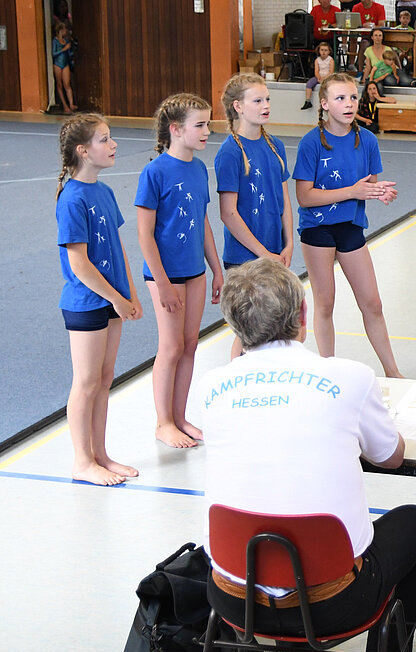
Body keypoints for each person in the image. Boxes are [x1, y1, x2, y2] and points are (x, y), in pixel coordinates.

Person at [200, 259, 416, 652]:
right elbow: (391, 457)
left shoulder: (208, 388)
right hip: (335, 602)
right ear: (303, 315)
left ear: (236, 329)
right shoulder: (349, 377)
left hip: (235, 597)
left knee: (270, 522)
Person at [293, 73, 402, 377]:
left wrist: (380, 192)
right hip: (318, 229)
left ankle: (393, 371)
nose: (349, 103)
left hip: (351, 226)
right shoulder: (311, 143)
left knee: (372, 302)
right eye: (340, 98)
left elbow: (368, 184)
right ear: (325, 104)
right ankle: (328, 370)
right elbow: (304, 196)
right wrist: (352, 192)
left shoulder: (366, 139)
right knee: (325, 303)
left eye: (353, 97)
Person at [56, 114, 142, 485]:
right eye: (105, 139)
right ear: (83, 151)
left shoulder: (103, 192)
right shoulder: (72, 198)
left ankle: (100, 454)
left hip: (112, 299)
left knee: (105, 378)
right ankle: (81, 460)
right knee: (87, 381)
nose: (114, 145)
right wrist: (116, 299)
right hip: (86, 302)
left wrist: (130, 293)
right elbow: (79, 263)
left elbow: (117, 245)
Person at [136, 93, 223, 449]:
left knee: (189, 345)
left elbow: (202, 221)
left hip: (195, 272)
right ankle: (163, 422)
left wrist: (216, 269)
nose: (207, 131)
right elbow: (145, 234)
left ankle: (180, 416)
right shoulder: (155, 172)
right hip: (165, 275)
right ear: (176, 129)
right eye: (200, 125)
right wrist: (161, 282)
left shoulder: (200, 168)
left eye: (208, 124)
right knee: (170, 347)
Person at [215, 74, 294, 359]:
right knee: (249, 332)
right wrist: (263, 253)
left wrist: (288, 245)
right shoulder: (230, 152)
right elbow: (228, 213)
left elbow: (284, 199)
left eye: (267, 99)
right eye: (257, 100)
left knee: (276, 328)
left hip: (275, 253)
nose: (265, 105)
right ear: (238, 106)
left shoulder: (276, 146)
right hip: (246, 257)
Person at [51, 22, 77, 114]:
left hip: (65, 63)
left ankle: (71, 104)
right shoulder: (55, 41)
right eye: (65, 29)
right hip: (58, 64)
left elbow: (69, 54)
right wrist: (64, 49)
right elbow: (54, 53)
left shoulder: (65, 41)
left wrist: (71, 50)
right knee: (59, 85)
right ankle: (65, 105)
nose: (66, 31)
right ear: (61, 30)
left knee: (67, 84)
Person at [302, 42, 335, 111]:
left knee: (327, 87)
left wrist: (324, 78)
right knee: (309, 83)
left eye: (325, 50)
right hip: (319, 77)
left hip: (328, 77)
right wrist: (318, 77)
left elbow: (331, 72)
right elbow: (316, 71)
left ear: (329, 52)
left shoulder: (331, 60)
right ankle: (308, 101)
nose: (323, 52)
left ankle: (327, 102)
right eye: (322, 50)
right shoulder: (317, 60)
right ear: (319, 51)